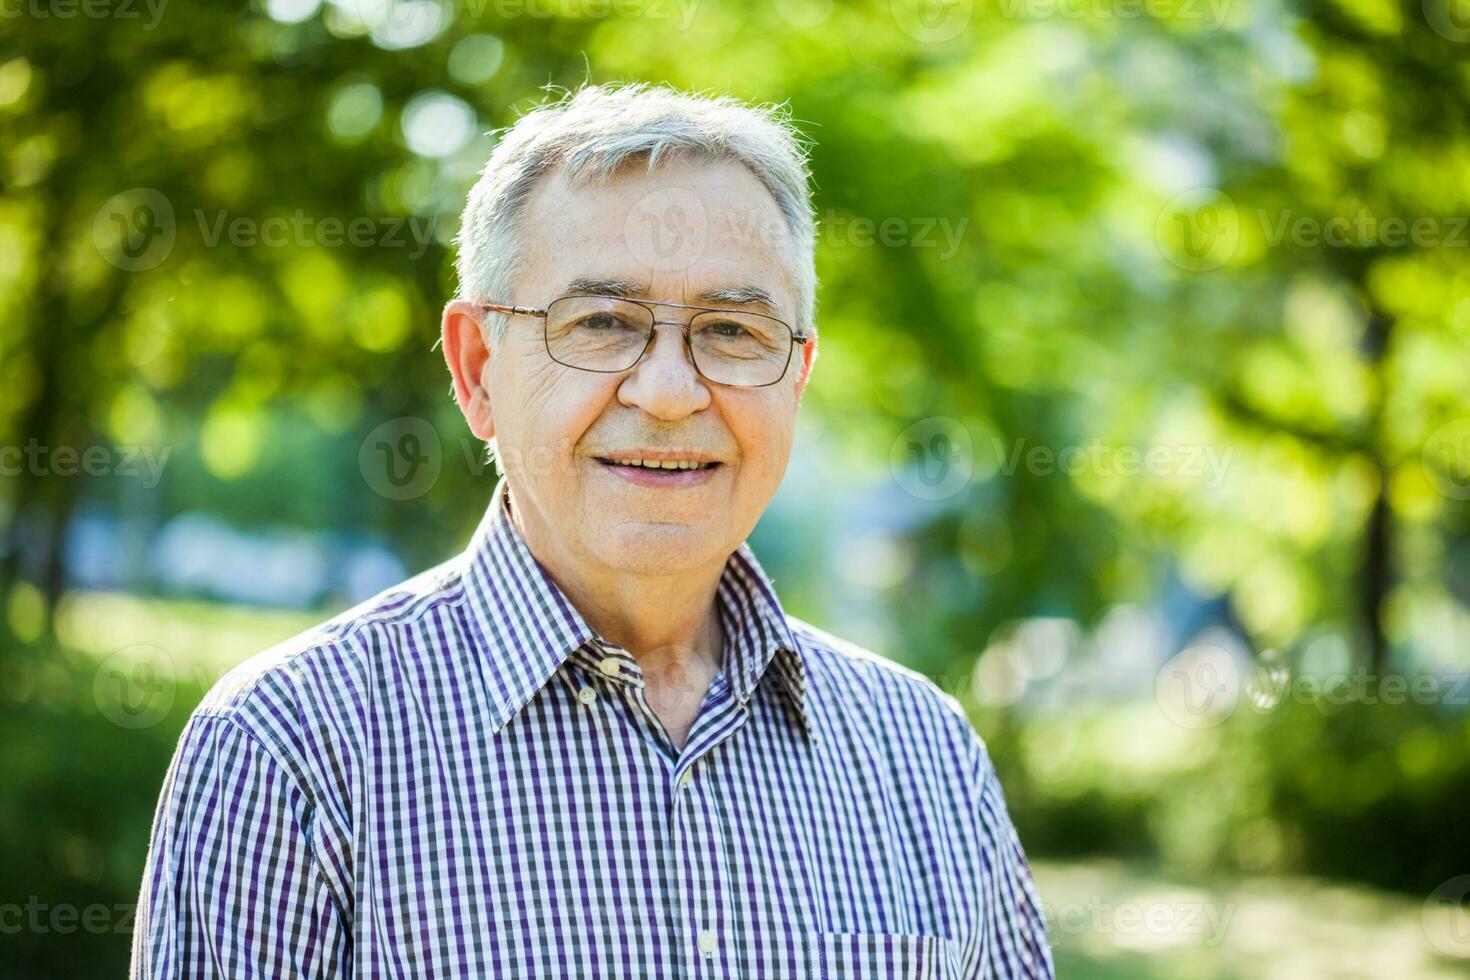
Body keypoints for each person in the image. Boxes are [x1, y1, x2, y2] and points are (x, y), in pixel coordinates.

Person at [131, 82, 1053, 979]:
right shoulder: (292, 751)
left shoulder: (927, 756)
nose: (668, 393)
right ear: (479, 367)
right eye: (603, 322)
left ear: (796, 374)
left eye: (732, 331)